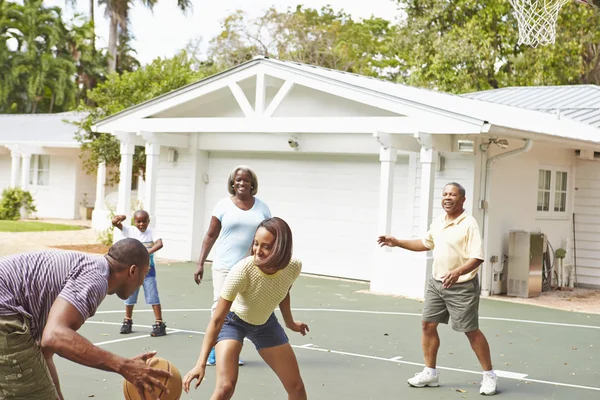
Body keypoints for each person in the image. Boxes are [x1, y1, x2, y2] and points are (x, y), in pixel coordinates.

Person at [0, 239, 173, 400]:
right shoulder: (96, 279)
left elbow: (45, 351)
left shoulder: (89, 269)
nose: (142, 283)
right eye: (144, 274)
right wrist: (125, 366)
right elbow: (54, 336)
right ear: (133, 271)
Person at [377, 182, 498, 396]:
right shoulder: (439, 221)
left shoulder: (469, 224)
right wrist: (397, 242)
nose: (448, 198)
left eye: (453, 194)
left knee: (470, 331)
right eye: (445, 194)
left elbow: (477, 257)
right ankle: (430, 372)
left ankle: (489, 376)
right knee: (427, 325)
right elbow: (425, 243)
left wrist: (457, 272)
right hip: (437, 283)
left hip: (461, 287)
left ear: (462, 199)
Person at [183, 217, 308, 400]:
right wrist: (200, 363)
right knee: (225, 387)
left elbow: (283, 290)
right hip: (232, 322)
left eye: (266, 246)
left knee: (296, 387)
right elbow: (217, 319)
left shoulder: (293, 266)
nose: (258, 250)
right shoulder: (242, 270)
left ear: (281, 248)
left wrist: (290, 322)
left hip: (265, 323)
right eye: (256, 243)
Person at [194, 165, 271, 365]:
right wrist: (200, 263)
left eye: (246, 180)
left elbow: (271, 236)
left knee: (241, 310)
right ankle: (213, 351)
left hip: (250, 268)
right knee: (220, 308)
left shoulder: (262, 208)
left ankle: (231, 351)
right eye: (238, 180)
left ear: (252, 183)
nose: (242, 183)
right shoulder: (222, 206)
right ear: (232, 183)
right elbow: (210, 235)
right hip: (224, 266)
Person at [112, 210, 166, 337]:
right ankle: (127, 321)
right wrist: (122, 217)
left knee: (153, 296)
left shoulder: (152, 232)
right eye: (138, 221)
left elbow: (160, 243)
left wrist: (147, 252)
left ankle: (159, 323)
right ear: (134, 221)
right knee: (130, 295)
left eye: (144, 221)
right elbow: (114, 222)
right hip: (132, 271)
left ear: (148, 221)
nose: (141, 224)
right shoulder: (130, 230)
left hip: (148, 270)